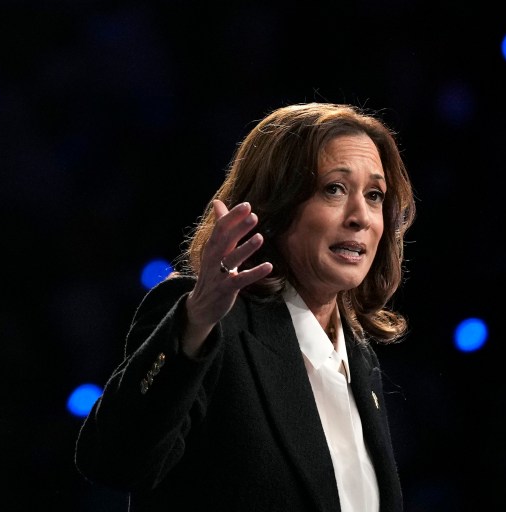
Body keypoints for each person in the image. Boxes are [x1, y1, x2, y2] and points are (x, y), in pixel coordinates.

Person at [76, 102, 417, 511]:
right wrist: (195, 319)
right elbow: (115, 463)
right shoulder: (207, 323)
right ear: (274, 205)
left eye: (375, 195)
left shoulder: (359, 360)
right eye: (334, 189)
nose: (361, 216)